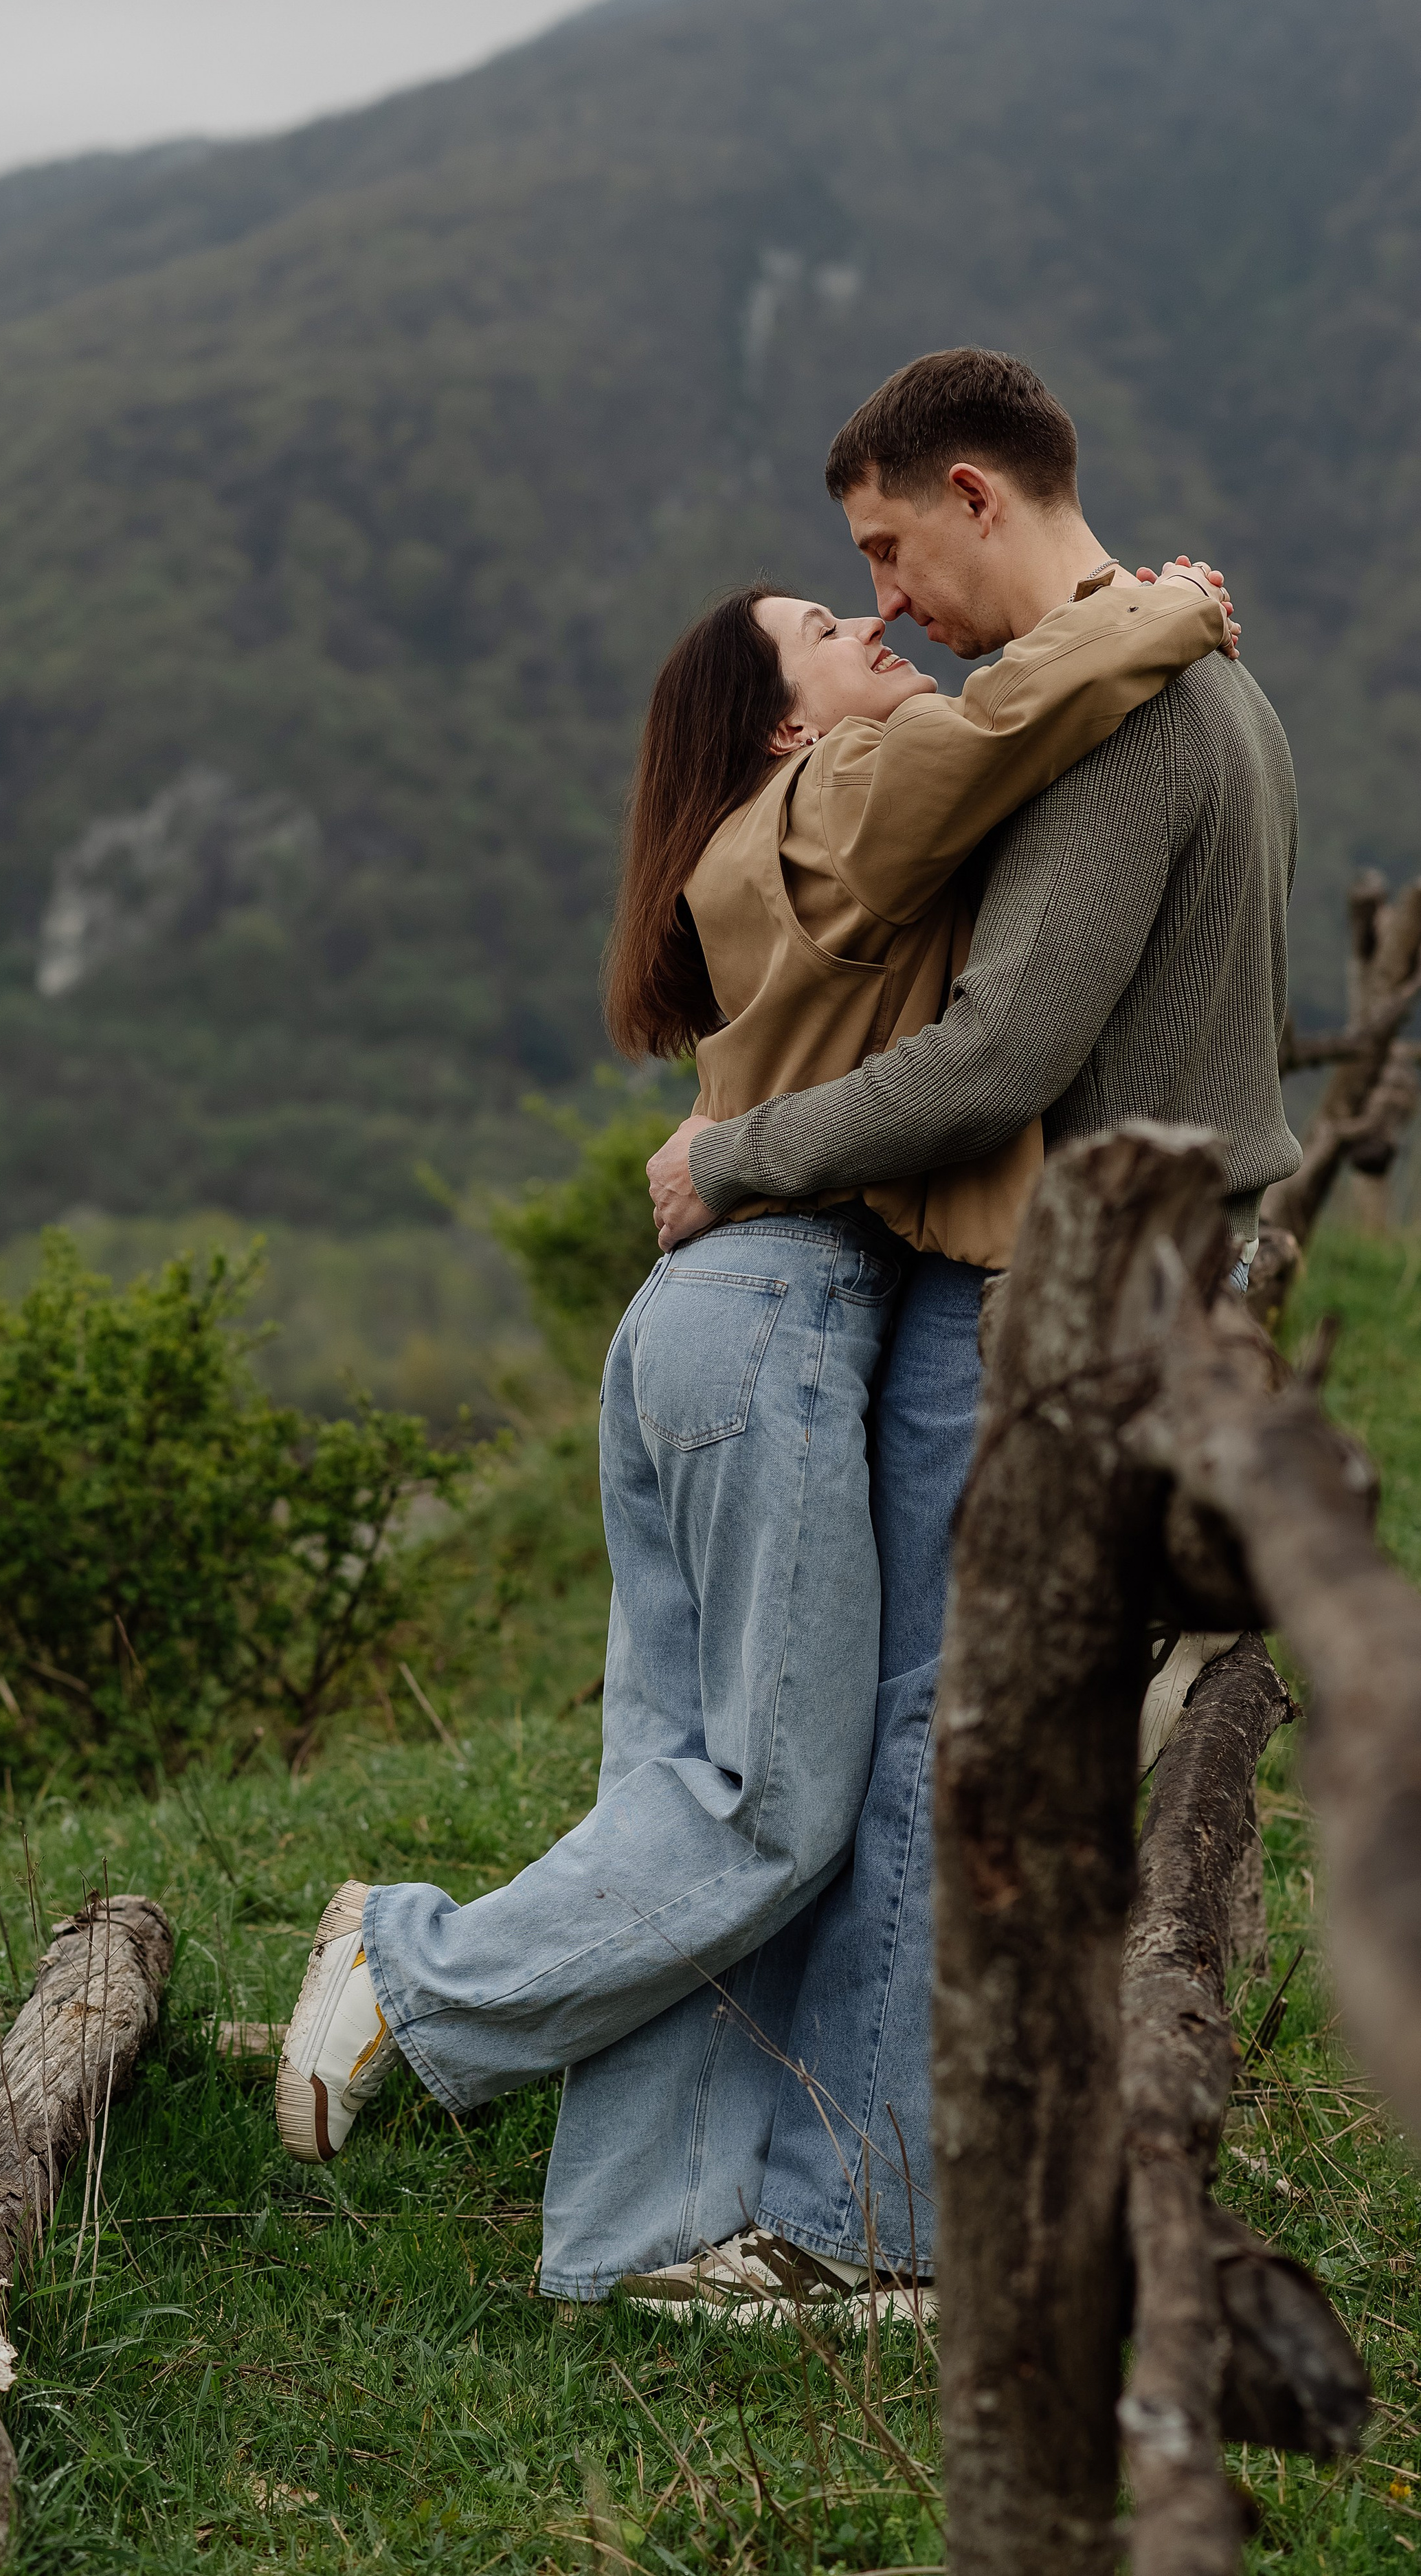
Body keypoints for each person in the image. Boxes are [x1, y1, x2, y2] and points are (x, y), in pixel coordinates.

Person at [272, 430, 1236, 2309]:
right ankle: (417, 1969)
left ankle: (630, 2232)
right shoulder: (841, 793)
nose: (877, 623)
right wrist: (1159, 608)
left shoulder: (795, 823)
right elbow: (1003, 726)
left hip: (723, 1318)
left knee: (678, 1779)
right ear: (783, 722)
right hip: (777, 1312)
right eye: (827, 622)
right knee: (776, 1805)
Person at [629, 346, 1302, 2322]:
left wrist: (736, 1154)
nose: (892, 601)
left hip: (1052, 1302)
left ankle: (877, 2226)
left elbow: (998, 1056)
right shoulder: (1213, 679)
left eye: (887, 549)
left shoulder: (1119, 723)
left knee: (931, 1745)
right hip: (1161, 1277)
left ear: (976, 496)